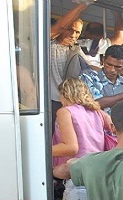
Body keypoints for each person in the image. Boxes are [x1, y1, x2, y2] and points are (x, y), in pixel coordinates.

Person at [50, 1, 93, 130]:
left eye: (77, 32)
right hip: (49, 101)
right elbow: (61, 26)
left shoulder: (76, 50)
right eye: (70, 29)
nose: (73, 35)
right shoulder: (48, 42)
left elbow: (89, 67)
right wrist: (84, 4)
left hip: (68, 102)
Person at [81, 45, 123, 111]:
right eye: (109, 64)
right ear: (103, 60)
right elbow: (95, 103)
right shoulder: (88, 76)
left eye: (117, 67)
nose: (112, 70)